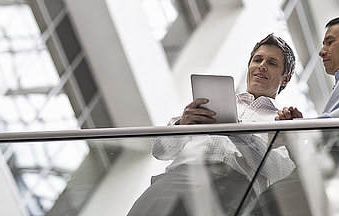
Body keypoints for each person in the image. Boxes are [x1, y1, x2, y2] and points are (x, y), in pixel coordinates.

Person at [127, 34, 298, 216]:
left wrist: (240, 134)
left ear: (285, 79)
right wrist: (182, 124)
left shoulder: (283, 121)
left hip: (234, 193)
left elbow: (282, 172)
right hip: (177, 180)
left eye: (272, 63)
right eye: (257, 59)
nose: (262, 65)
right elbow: (160, 152)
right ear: (249, 65)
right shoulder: (209, 101)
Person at [250, 15, 339, 215]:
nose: (321, 51)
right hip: (331, 177)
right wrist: (294, 135)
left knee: (266, 204)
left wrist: (303, 129)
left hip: (334, 172)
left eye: (330, 42)